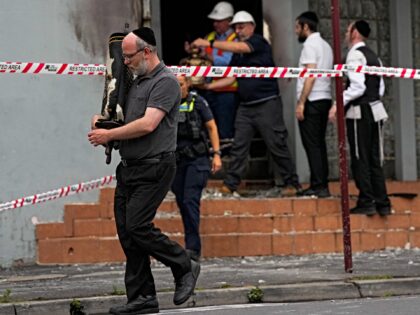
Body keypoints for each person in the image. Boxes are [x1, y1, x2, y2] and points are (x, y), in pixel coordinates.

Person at [88, 27, 200, 315]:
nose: (124, 62)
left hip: (155, 166)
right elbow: (127, 121)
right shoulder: (135, 81)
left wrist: (111, 137)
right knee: (128, 234)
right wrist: (104, 123)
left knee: (138, 226)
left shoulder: (165, 82)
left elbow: (148, 124)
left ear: (146, 51)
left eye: (129, 56)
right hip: (130, 167)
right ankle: (142, 297)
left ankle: (183, 263)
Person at [192, 11, 302, 197]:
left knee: (276, 143)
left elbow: (241, 48)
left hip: (266, 103)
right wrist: (208, 86)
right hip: (246, 106)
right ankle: (231, 184)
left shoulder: (258, 42)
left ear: (252, 26)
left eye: (242, 26)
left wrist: (208, 43)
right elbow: (232, 77)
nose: (238, 30)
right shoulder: (239, 55)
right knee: (239, 146)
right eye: (236, 27)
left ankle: (291, 183)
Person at [342, 20, 391, 216]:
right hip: (376, 109)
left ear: (354, 33)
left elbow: (357, 87)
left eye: (347, 30)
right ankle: (383, 202)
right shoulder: (374, 57)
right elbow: (380, 88)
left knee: (360, 156)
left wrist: (339, 104)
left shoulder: (354, 54)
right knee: (374, 157)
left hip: (359, 111)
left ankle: (366, 200)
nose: (346, 34)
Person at [172, 76, 222, 262]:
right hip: (177, 162)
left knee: (190, 200)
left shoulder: (198, 102)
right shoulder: (167, 103)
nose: (178, 88)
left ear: (189, 84)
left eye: (181, 84)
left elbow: (211, 127)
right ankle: (191, 245)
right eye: (174, 85)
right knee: (182, 203)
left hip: (197, 160)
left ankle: (193, 248)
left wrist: (217, 154)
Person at [185, 1, 238, 144]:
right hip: (207, 90)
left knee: (224, 131)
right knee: (208, 128)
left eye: (219, 21)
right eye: (214, 21)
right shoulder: (209, 37)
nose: (215, 24)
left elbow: (228, 63)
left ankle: (226, 159)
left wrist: (207, 55)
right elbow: (202, 59)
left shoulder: (235, 40)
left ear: (229, 21)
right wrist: (193, 51)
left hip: (226, 91)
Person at [294, 11, 334, 198]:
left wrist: (301, 102)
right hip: (324, 97)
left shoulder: (310, 46)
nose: (296, 32)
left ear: (306, 27)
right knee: (319, 144)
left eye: (297, 27)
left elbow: (310, 75)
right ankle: (321, 184)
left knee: (312, 144)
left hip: (312, 99)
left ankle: (318, 186)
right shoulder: (325, 45)